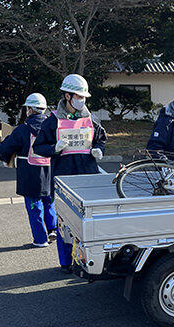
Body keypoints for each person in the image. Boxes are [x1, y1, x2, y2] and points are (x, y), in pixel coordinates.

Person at [32, 74, 107, 274]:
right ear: (67, 96)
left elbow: (101, 139)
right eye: (78, 96)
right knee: (65, 223)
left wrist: (98, 149)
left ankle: (90, 262)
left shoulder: (91, 118)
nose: (81, 100)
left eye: (83, 97)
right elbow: (39, 147)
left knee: (89, 223)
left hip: (88, 176)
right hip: (64, 178)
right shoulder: (52, 121)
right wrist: (54, 148)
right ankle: (66, 262)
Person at [0, 93, 56, 248]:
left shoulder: (23, 129)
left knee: (34, 206)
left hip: (30, 174)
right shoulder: (53, 126)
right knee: (49, 201)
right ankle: (53, 229)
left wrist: (5, 158)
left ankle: (41, 239)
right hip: (51, 171)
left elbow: (5, 148)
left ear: (30, 109)